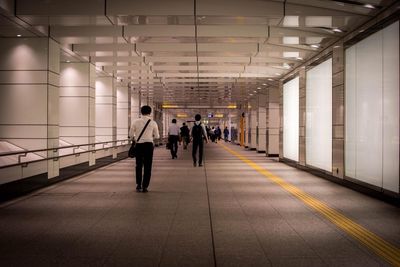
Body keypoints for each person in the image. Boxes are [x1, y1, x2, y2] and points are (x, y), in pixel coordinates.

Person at [129, 105, 160, 193]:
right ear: (150, 113)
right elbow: (157, 136)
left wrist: (136, 137)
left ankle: (138, 185)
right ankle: (145, 186)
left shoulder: (135, 122)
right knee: (148, 166)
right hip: (148, 146)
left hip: (139, 145)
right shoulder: (153, 123)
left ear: (141, 112)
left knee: (138, 165)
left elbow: (131, 135)